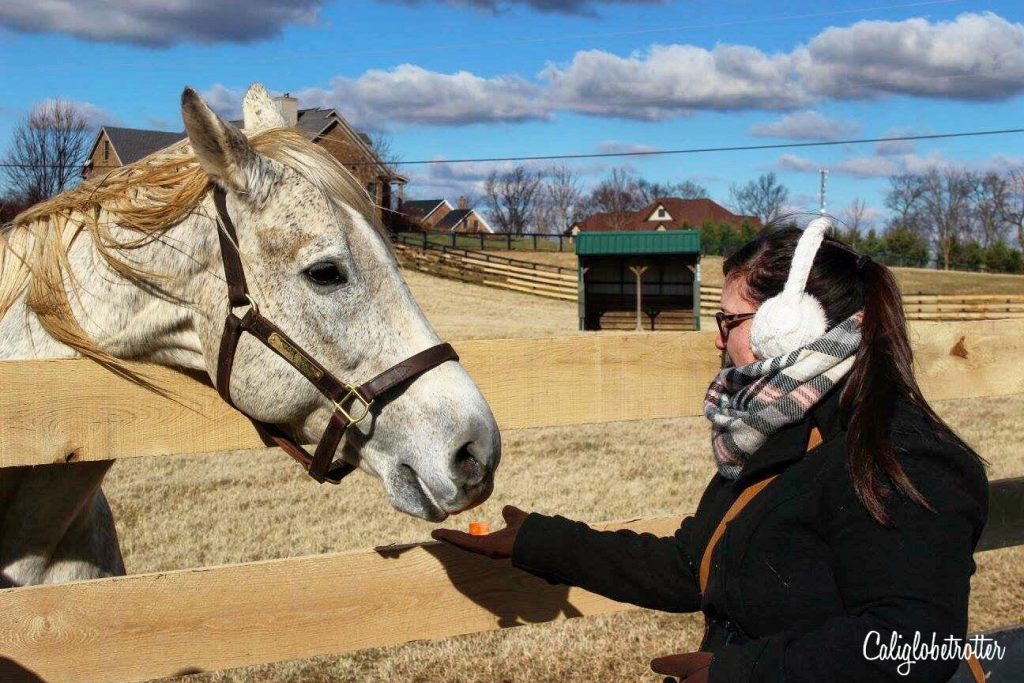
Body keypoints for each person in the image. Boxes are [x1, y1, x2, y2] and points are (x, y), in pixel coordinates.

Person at [432, 218, 990, 682]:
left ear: (787, 327)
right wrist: (537, 541)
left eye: (730, 320)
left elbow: (917, 644)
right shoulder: (779, 431)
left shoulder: (896, 452)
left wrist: (744, 674)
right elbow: (690, 565)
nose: (718, 337)